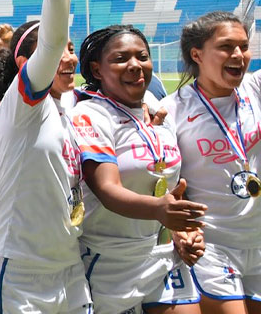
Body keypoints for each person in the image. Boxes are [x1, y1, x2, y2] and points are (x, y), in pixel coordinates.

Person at [0, 0, 99, 313]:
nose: (67, 56)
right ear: (25, 63)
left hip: (68, 265)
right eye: (57, 50)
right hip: (18, 271)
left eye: (70, 49)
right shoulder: (23, 103)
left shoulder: (70, 106)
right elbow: (49, 44)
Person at [162, 11, 261, 312]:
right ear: (197, 54)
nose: (239, 55)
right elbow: (169, 184)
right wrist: (181, 229)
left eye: (244, 46)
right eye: (227, 47)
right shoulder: (171, 110)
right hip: (214, 248)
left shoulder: (258, 87)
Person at [71, 25, 208, 313]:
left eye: (142, 56)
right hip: (109, 261)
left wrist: (183, 230)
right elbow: (108, 190)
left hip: (162, 255)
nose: (135, 65)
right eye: (121, 59)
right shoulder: (89, 115)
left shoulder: (157, 112)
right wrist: (160, 209)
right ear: (97, 70)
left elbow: (170, 188)